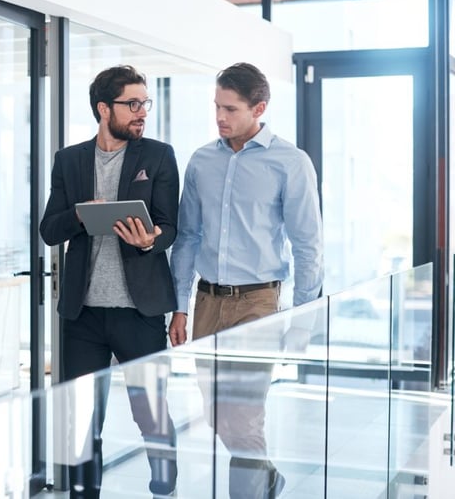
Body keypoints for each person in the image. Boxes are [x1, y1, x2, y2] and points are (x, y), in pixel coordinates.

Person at [169, 62, 323, 499]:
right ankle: (267, 477)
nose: (220, 117)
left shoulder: (290, 163)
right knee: (216, 414)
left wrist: (301, 320)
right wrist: (180, 305)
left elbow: (307, 245)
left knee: (246, 414)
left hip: (258, 304)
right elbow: (187, 237)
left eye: (230, 109)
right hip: (207, 302)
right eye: (217, 106)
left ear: (259, 108)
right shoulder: (201, 161)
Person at [40, 64, 179, 498]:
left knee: (151, 414)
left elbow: (170, 226)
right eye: (132, 104)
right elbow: (49, 230)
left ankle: (164, 488)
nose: (142, 112)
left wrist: (150, 240)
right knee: (81, 420)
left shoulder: (158, 155)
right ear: (104, 109)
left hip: (140, 311)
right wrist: (82, 215)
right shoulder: (69, 160)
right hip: (83, 315)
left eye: (145, 103)